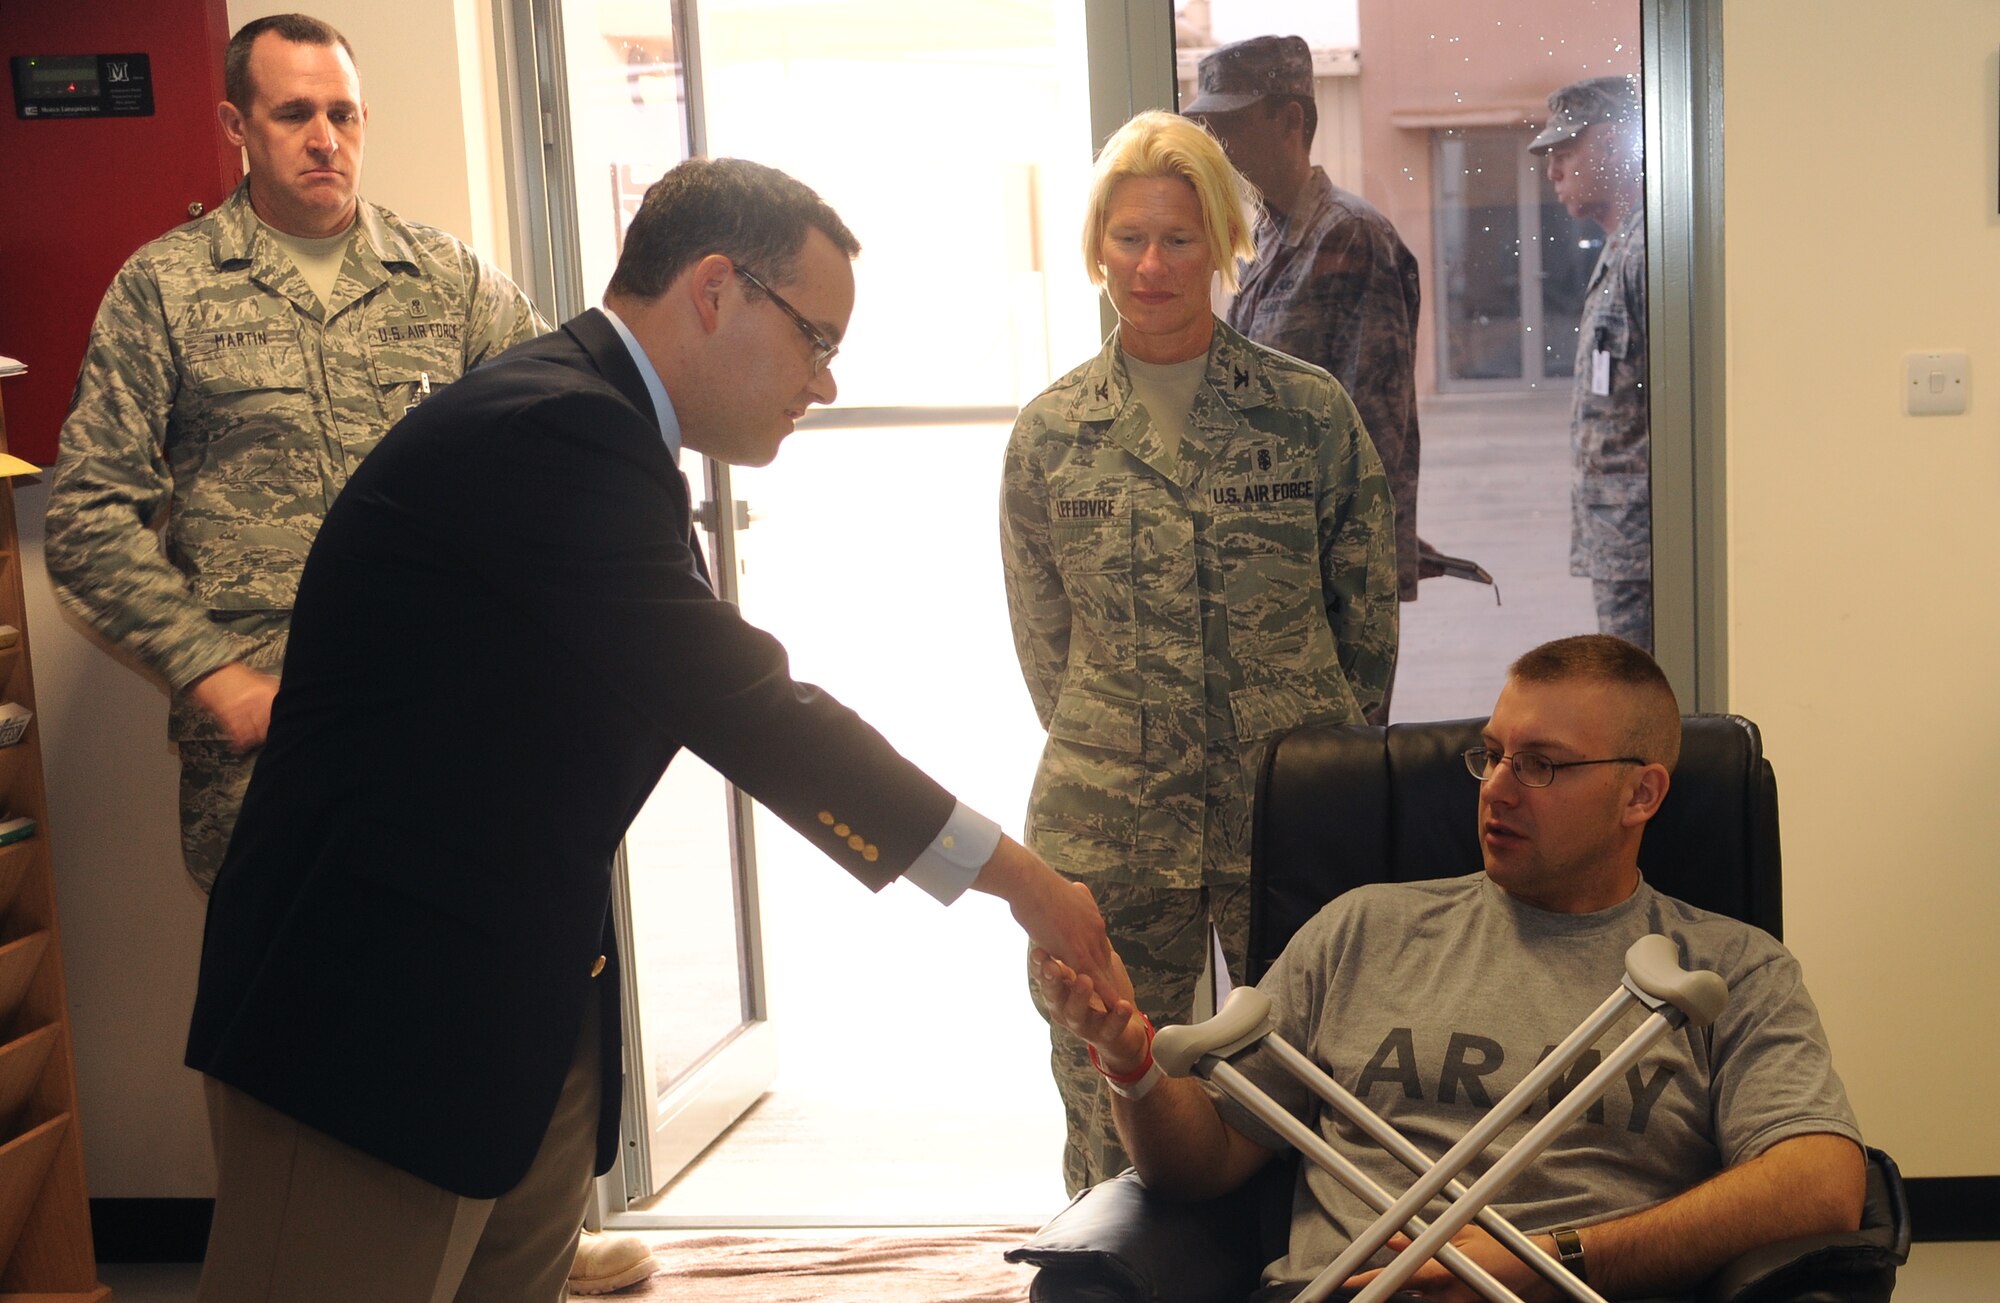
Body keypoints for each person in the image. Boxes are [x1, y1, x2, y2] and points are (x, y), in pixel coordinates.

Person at [183, 155, 1120, 1303]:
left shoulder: (600, 428)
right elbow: (745, 704)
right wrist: (1019, 879)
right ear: (716, 289)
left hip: (499, 1005)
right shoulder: (551, 430)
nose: (824, 383)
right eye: (817, 340)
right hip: (368, 1019)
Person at [37, 14, 670, 1294]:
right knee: (299, 1041)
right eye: (292, 116)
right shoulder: (167, 289)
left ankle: (513, 1244)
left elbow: (562, 458)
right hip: (274, 742)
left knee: (484, 1001)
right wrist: (210, 671)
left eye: (343, 114)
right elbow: (87, 513)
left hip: (454, 747)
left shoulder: (448, 282)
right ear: (235, 129)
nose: (325, 140)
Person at [1035, 634, 1866, 1300]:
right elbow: (1205, 1160)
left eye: (1542, 763)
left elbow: (1823, 1180)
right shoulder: (1363, 929)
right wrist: (1130, 1058)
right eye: (1493, 753)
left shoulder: (1733, 970)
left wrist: (1552, 1260)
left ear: (1640, 795)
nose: (1497, 788)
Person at [1001, 110, 1398, 1197]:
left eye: (1178, 238)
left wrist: (1312, 751)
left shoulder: (1306, 415)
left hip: (1287, 805)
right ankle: (1112, 1272)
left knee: (1311, 1076)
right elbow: (1046, 646)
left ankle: (1301, 1264)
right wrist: (1125, 738)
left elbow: (1363, 623)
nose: (1149, 264)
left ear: (1221, 244)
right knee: (1106, 1082)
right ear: (1097, 246)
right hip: (1110, 817)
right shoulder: (1049, 434)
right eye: (1127, 237)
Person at [1182, 34, 1423, 721]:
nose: (1214, 143)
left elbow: (1375, 431)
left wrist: (1361, 569)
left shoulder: (1350, 238)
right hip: (1265, 567)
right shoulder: (1264, 242)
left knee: (1332, 782)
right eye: (1207, 126)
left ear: (1291, 120)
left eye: (1229, 125)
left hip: (1328, 580)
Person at [1530, 75, 1652, 652]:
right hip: (1624, 542)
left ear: (1608, 143)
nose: (1552, 171)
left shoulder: (1649, 252)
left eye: (1564, 152)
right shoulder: (1621, 247)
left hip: (1653, 549)